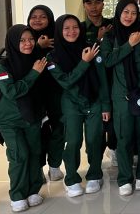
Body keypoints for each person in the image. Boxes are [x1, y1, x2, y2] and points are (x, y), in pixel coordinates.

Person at [47, 15, 111, 197]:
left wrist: (106, 105)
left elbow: (102, 79)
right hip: (71, 102)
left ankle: (95, 175)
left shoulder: (91, 48)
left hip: (94, 100)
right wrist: (84, 62)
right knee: (73, 141)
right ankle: (71, 178)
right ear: (59, 31)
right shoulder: (52, 57)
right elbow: (66, 82)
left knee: (95, 139)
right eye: (66, 28)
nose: (71, 31)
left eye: (75, 27)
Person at [0, 25, 47, 212]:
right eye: (22, 40)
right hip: (9, 119)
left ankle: (33, 191)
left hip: (32, 116)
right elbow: (11, 91)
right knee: (20, 155)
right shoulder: (3, 66)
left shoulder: (36, 59)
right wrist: (33, 74)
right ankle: (17, 195)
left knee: (34, 152)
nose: (28, 44)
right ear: (13, 43)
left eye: (31, 39)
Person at [102, 0, 140, 196]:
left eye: (134, 13)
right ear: (118, 12)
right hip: (121, 96)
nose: (129, 16)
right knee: (124, 138)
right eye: (126, 12)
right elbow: (107, 60)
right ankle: (125, 178)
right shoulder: (110, 37)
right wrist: (129, 44)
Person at [27, 5, 64, 182]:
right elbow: (19, 60)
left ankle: (55, 166)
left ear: (50, 19)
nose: (37, 20)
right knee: (37, 133)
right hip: (34, 94)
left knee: (58, 128)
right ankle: (38, 168)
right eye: (34, 16)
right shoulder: (25, 38)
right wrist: (37, 46)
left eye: (42, 16)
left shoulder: (57, 36)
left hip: (56, 92)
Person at [82, 0, 117, 166]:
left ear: (103, 4)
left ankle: (114, 149)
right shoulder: (80, 28)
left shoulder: (113, 25)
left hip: (112, 79)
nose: (93, 7)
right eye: (89, 3)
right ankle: (94, 162)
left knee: (114, 122)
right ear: (84, 6)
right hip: (91, 83)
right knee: (95, 127)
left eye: (97, 2)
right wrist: (98, 39)